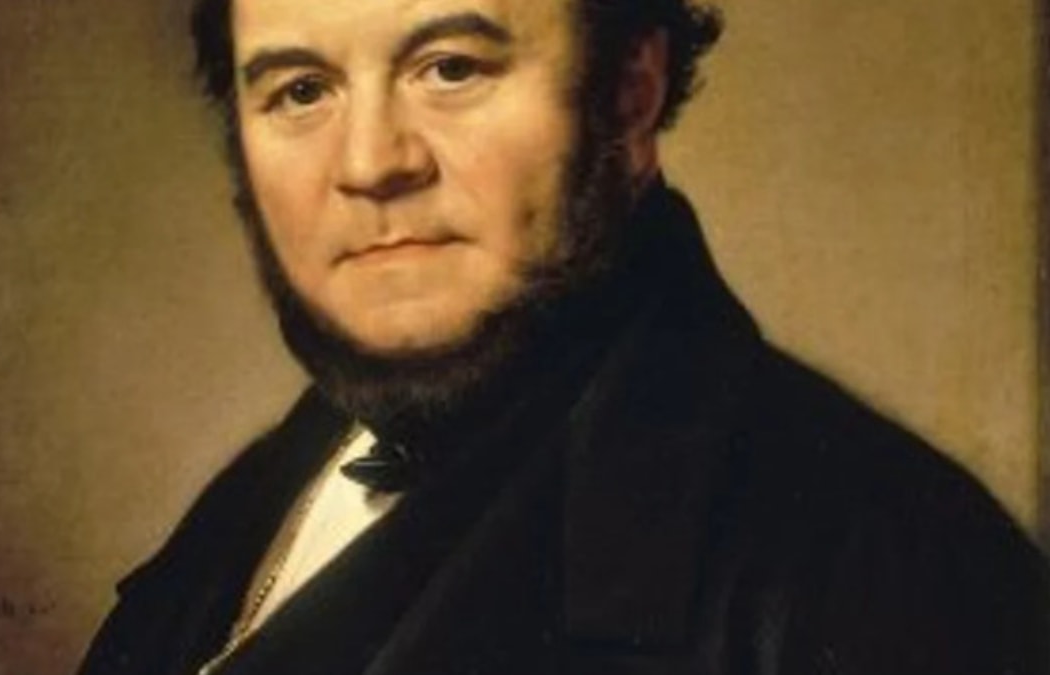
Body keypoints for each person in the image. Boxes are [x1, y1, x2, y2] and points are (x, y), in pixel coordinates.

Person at [79, 0, 1050, 673]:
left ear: (629, 90)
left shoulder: (879, 561)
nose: (371, 162)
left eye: (450, 68)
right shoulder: (257, 499)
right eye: (301, 90)